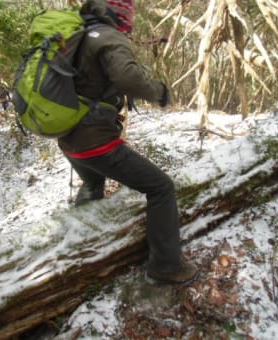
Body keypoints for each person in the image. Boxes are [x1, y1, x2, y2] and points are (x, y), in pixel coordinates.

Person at [58, 0, 198, 285]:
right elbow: (127, 76)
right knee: (161, 188)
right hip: (94, 142)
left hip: (66, 139)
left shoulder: (77, 34)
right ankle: (166, 266)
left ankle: (81, 247)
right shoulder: (108, 36)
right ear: (119, 16)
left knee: (92, 183)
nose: (130, 24)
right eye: (128, 18)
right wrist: (159, 93)